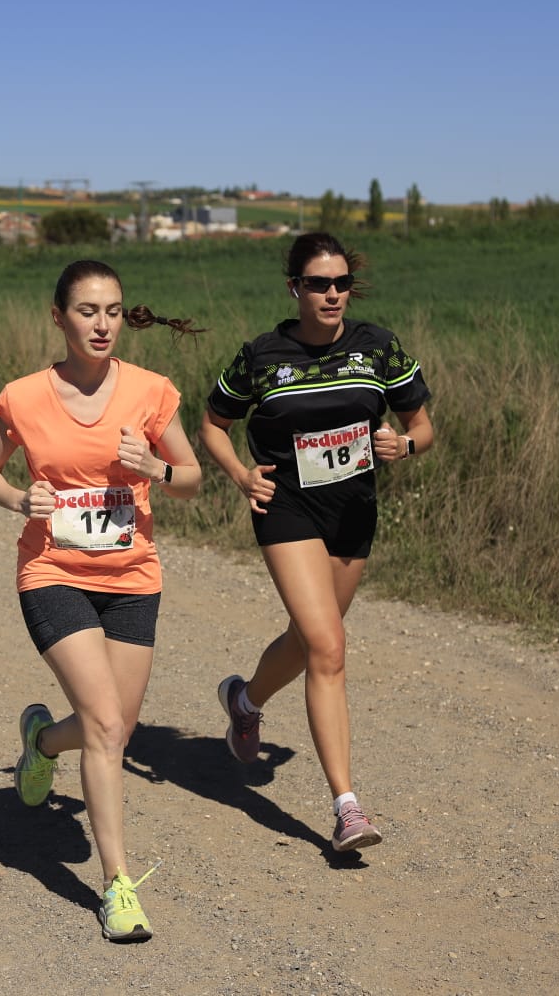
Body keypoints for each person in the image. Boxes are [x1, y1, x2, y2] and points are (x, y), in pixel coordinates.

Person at [0, 260, 203, 943]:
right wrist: (19, 498)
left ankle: (41, 742)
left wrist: (155, 467)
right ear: (59, 316)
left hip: (132, 578)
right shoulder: (23, 397)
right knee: (103, 723)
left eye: (112, 311)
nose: (102, 325)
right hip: (52, 571)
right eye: (87, 311)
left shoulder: (151, 392)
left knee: (116, 728)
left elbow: (191, 478)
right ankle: (117, 885)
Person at [199, 231, 435, 853]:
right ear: (294, 288)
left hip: (353, 512)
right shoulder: (262, 355)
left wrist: (405, 445)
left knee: (310, 643)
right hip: (287, 509)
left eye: (341, 283)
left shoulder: (377, 347)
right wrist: (241, 475)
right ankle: (347, 807)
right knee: (329, 646)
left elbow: (422, 425)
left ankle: (245, 701)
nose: (331, 294)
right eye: (317, 284)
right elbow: (213, 424)